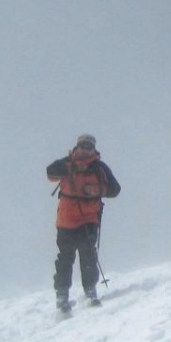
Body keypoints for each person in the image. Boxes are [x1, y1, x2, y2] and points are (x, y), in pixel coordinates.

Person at [46, 133, 120, 313]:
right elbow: (114, 190)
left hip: (68, 220)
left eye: (87, 146)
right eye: (84, 146)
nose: (85, 149)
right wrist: (96, 192)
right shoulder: (97, 166)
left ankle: (65, 294)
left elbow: (50, 172)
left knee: (67, 257)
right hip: (87, 219)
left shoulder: (70, 164)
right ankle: (87, 292)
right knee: (85, 256)